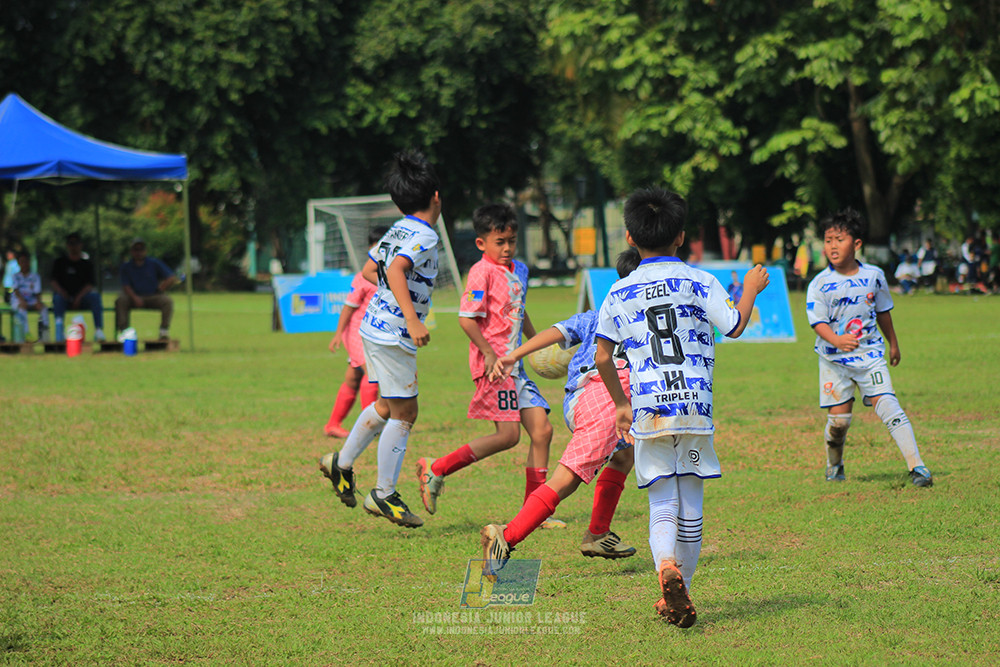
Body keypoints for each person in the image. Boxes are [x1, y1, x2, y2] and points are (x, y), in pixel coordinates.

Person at [594, 187, 768, 628]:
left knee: (660, 501)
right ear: (682, 238)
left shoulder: (618, 291)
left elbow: (601, 356)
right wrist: (749, 289)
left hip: (649, 408)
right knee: (691, 500)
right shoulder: (700, 280)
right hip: (693, 405)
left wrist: (619, 403)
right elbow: (734, 326)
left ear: (631, 237)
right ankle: (682, 584)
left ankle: (665, 568)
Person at [479, 247, 643, 574]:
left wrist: (516, 354)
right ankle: (506, 536)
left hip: (586, 397)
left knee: (625, 455)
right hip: (602, 397)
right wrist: (514, 355)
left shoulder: (599, 313)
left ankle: (598, 532)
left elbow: (559, 330)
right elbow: (560, 334)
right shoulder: (624, 315)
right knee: (566, 478)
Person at [318, 150, 442, 529]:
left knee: (389, 407)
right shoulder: (423, 234)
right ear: (436, 196)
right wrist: (411, 318)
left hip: (372, 326)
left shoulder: (398, 228)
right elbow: (394, 268)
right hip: (393, 333)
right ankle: (383, 493)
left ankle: (339, 464)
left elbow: (371, 269)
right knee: (407, 412)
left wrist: (393, 295)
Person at [414, 203, 558, 526]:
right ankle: (436, 468)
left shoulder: (519, 270)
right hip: (495, 367)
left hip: (515, 366)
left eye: (511, 241)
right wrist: (489, 354)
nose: (507, 248)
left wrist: (536, 346)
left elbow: (520, 311)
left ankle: (533, 513)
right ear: (482, 243)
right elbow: (467, 320)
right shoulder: (480, 272)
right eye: (500, 242)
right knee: (508, 436)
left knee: (543, 431)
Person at [805, 208, 932, 489]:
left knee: (889, 406)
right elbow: (818, 323)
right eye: (828, 240)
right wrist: (836, 340)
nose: (832, 246)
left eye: (839, 239)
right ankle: (834, 465)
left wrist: (893, 343)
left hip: (870, 355)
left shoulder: (875, 275)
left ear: (857, 244)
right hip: (833, 361)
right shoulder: (819, 284)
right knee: (839, 423)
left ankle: (918, 467)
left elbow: (884, 311)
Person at [323, 226, 389, 437]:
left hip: (375, 335)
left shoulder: (391, 275)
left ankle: (333, 424)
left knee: (353, 377)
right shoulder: (363, 277)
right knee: (372, 376)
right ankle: (369, 426)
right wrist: (338, 334)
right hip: (358, 336)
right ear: (371, 248)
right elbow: (349, 307)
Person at [115, 238, 177, 340]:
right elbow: (126, 286)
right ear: (132, 251)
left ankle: (164, 330)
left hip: (152, 295)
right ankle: (124, 331)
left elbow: (171, 277)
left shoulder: (154, 263)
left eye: (141, 249)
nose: (139, 252)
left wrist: (162, 287)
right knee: (121, 300)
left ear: (145, 251)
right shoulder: (126, 267)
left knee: (167, 301)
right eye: (136, 250)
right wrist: (135, 298)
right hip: (133, 296)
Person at [50, 232, 106, 342]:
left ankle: (98, 330)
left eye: (76, 243)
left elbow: (90, 284)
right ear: (67, 245)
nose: (73, 246)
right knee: (57, 298)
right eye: (71, 243)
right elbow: (53, 281)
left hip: (82, 297)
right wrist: (61, 291)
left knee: (95, 297)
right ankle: (59, 330)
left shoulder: (87, 264)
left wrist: (79, 297)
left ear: (81, 245)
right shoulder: (60, 262)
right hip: (64, 297)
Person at [11, 250, 50, 342]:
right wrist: (22, 301)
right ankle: (25, 335)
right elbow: (16, 290)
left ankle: (44, 337)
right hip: (18, 300)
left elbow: (37, 292)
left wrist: (38, 302)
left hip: (31, 299)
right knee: (21, 309)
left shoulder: (35, 276)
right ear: (18, 263)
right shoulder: (15, 276)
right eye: (22, 262)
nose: (24, 264)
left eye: (26, 261)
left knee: (43, 308)